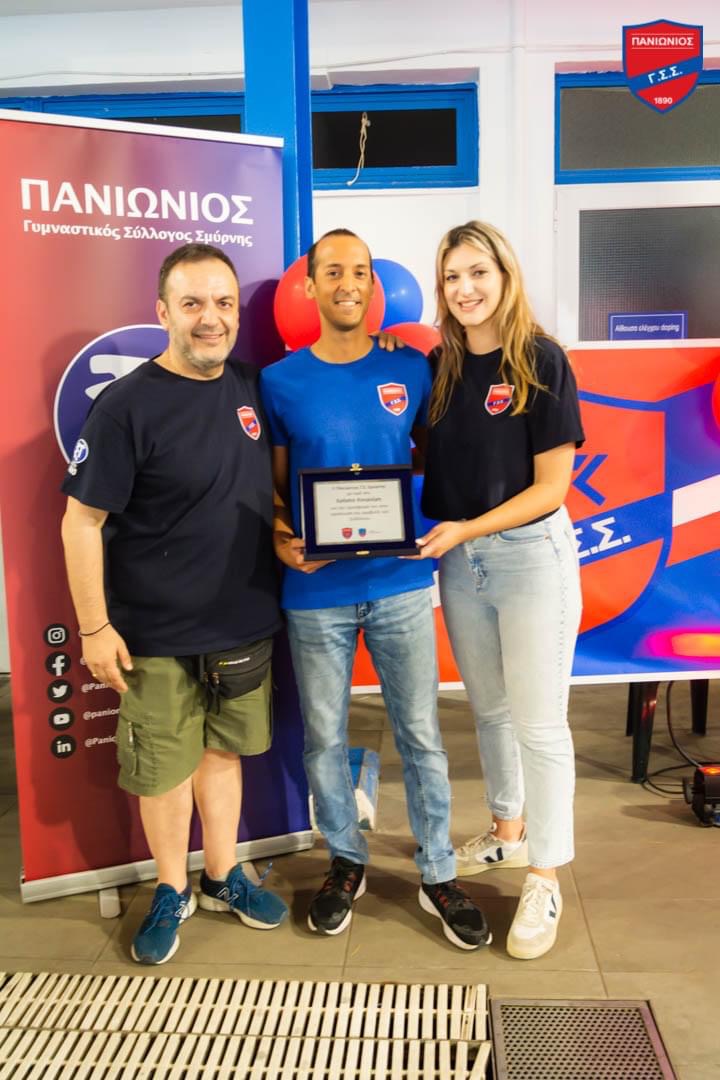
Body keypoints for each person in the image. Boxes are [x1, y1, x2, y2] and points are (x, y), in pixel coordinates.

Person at [260, 228, 490, 952]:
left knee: (421, 735)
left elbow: (443, 456)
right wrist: (281, 536)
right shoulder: (280, 381)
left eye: (360, 271)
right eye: (333, 271)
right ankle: (346, 861)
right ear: (311, 287)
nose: (349, 283)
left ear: (373, 284)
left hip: (399, 583)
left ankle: (438, 871)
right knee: (324, 739)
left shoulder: (411, 367)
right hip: (315, 594)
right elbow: (273, 489)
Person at [60, 243, 288, 965]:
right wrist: (94, 627)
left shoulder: (249, 387)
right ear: (163, 312)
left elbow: (263, 488)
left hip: (241, 622)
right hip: (153, 635)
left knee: (222, 754)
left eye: (223, 303)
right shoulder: (125, 406)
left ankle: (222, 875)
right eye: (192, 304)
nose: (210, 318)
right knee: (163, 769)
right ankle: (171, 887)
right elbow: (80, 523)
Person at [418, 220, 584, 960]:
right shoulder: (441, 367)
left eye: (478, 272)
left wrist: (468, 529)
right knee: (488, 709)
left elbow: (552, 488)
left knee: (540, 725)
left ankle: (544, 875)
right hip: (464, 562)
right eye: (452, 277)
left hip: (529, 559)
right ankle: (508, 832)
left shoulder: (541, 360)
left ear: (505, 276)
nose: (466, 289)